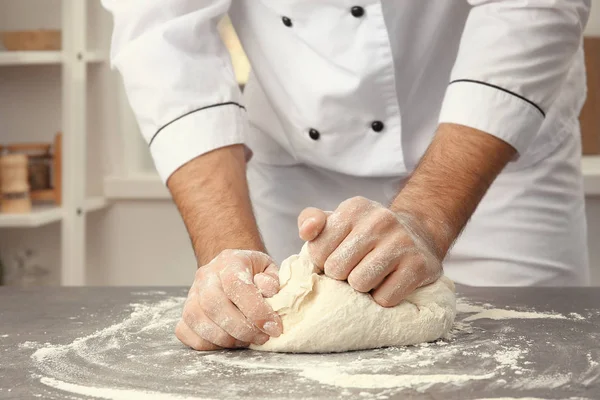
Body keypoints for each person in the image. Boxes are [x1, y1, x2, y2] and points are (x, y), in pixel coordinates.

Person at [102, 1, 591, 351]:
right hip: (298, 166)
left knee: (534, 358)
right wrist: (225, 251)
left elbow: (531, 10)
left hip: (493, 156)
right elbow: (163, 37)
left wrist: (428, 215)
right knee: (272, 357)